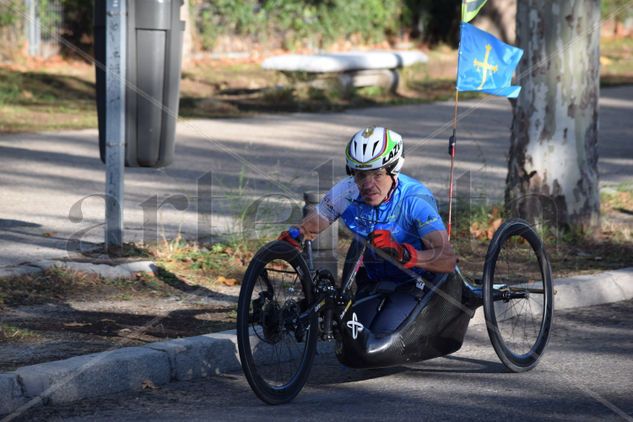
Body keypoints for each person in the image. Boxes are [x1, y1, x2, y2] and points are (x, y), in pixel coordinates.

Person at [279, 126, 457, 336]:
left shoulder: (416, 199)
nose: (367, 184)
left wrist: (403, 253)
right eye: (360, 175)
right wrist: (294, 236)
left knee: (384, 336)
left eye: (377, 174)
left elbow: (447, 259)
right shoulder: (346, 191)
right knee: (352, 338)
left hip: (414, 281)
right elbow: (312, 226)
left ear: (393, 169)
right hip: (373, 281)